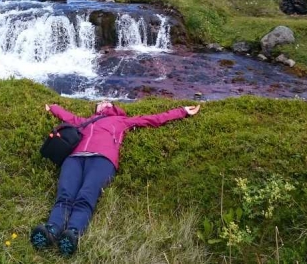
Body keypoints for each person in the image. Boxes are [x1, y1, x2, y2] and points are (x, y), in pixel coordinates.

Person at [31, 100, 201, 256]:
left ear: (113, 108)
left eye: (107, 102)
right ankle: (51, 230)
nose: (103, 102)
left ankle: (72, 233)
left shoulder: (121, 121)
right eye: (100, 102)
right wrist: (52, 107)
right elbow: (66, 115)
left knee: (86, 196)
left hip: (103, 159)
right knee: (65, 194)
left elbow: (153, 119)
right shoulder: (84, 120)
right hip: (74, 158)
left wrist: (182, 111)